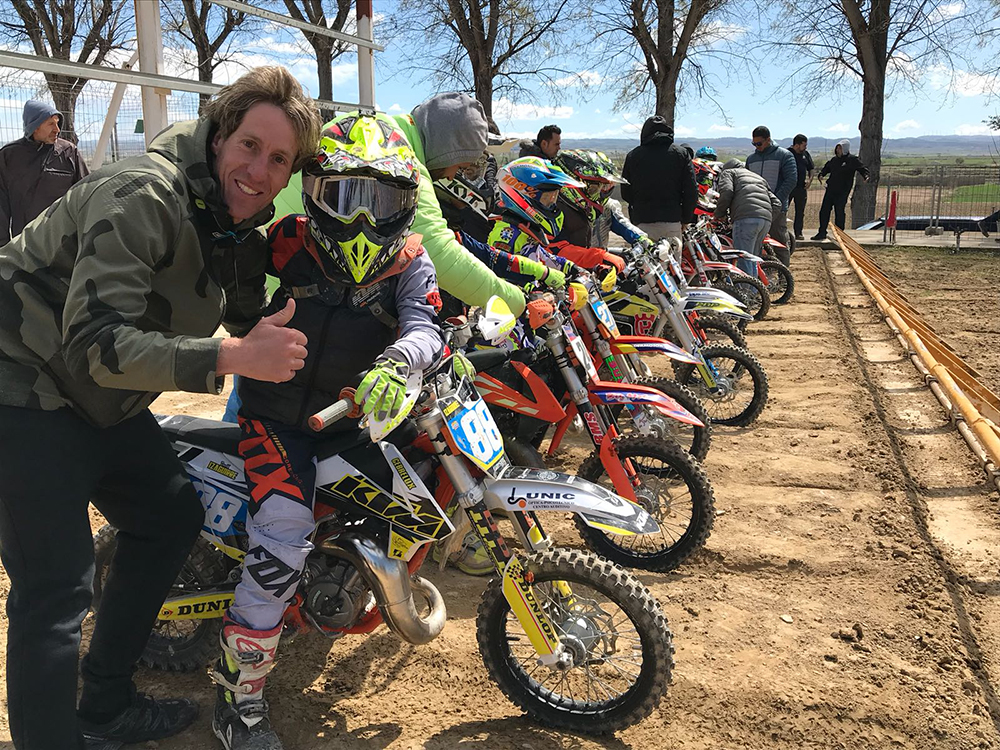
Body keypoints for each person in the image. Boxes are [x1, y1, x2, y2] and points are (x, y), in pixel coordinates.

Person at [0, 67, 320, 750]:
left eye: (279, 160)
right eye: (250, 145)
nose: (259, 171)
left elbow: (249, 317)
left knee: (168, 516)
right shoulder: (142, 193)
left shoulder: (233, 222)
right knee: (55, 588)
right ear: (220, 135)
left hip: (98, 397)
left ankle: (105, 705)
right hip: (20, 384)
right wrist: (230, 356)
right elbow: (96, 344)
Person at [213, 112, 444, 750]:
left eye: (382, 200)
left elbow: (425, 325)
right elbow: (227, 287)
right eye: (345, 196)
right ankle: (237, 700)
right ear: (314, 193)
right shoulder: (283, 241)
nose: (363, 217)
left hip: (354, 419)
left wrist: (400, 360)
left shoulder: (410, 260)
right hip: (276, 419)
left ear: (407, 203)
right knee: (283, 531)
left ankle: (340, 583)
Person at [272, 93, 526, 316]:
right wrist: (516, 302)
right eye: (459, 166)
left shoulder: (369, 129)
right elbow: (440, 254)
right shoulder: (396, 153)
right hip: (292, 295)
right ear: (447, 149)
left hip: (281, 270)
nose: (451, 176)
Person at [0, 100, 90, 245]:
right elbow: (1, 204)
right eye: (50, 124)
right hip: (26, 243)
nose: (57, 129)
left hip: (66, 241)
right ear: (34, 127)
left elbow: (86, 193)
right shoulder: (9, 156)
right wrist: (2, 246)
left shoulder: (68, 152)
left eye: (57, 123)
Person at [621, 116, 697, 256]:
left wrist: (638, 206)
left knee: (645, 266)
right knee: (672, 267)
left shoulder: (633, 156)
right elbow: (691, 192)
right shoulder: (681, 154)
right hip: (672, 221)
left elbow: (625, 191)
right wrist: (686, 219)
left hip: (642, 222)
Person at [713, 159, 782, 275]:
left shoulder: (728, 173)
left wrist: (719, 214)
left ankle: (745, 287)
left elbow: (727, 191)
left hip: (745, 219)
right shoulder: (758, 177)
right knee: (753, 259)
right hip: (765, 221)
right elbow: (777, 203)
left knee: (744, 260)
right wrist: (766, 218)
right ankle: (754, 286)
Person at [746, 125, 795, 265]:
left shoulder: (784, 155)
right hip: (756, 207)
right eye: (754, 144)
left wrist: (776, 200)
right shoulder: (751, 159)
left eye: (759, 143)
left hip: (776, 208)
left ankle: (783, 273)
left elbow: (791, 180)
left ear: (768, 140)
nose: (757, 147)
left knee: (779, 242)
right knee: (755, 243)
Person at [811, 139, 870, 241]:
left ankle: (840, 235)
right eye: (837, 148)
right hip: (830, 189)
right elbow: (827, 168)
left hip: (843, 191)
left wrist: (866, 176)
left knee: (839, 212)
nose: (838, 150)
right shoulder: (834, 160)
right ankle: (822, 233)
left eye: (840, 148)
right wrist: (821, 174)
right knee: (824, 211)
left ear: (845, 149)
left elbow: (862, 168)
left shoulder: (852, 160)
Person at [788, 134, 814, 241]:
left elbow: (811, 169)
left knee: (800, 212)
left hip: (801, 188)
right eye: (804, 145)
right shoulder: (787, 153)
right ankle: (780, 233)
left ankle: (798, 233)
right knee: (782, 211)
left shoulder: (805, 154)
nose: (805, 147)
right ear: (797, 145)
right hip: (788, 187)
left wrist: (810, 180)